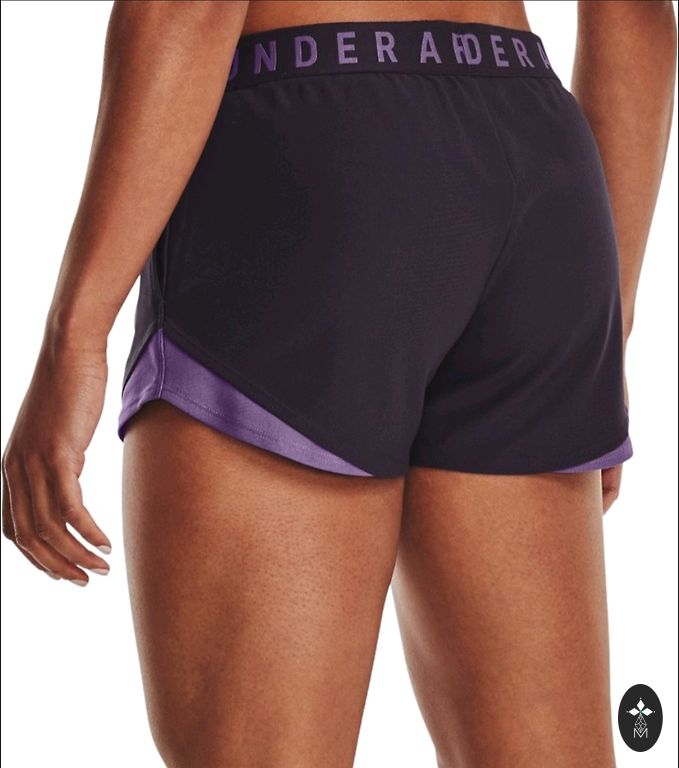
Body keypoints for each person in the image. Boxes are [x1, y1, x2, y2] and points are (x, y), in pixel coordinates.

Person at [1, 1, 675, 766]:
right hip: (537, 156)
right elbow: (634, 13)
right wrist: (600, 335)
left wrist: (73, 339)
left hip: (317, 145)